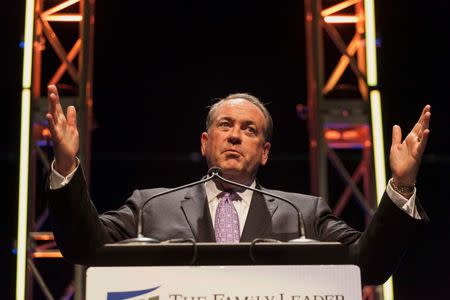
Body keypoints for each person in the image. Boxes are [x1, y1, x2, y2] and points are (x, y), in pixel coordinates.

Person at [45, 85, 431, 285]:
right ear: (204, 142)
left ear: (264, 152)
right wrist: (64, 164)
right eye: (224, 126)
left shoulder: (304, 213)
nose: (234, 137)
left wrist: (401, 184)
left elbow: (370, 264)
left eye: (248, 130)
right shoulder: (152, 206)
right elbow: (85, 245)